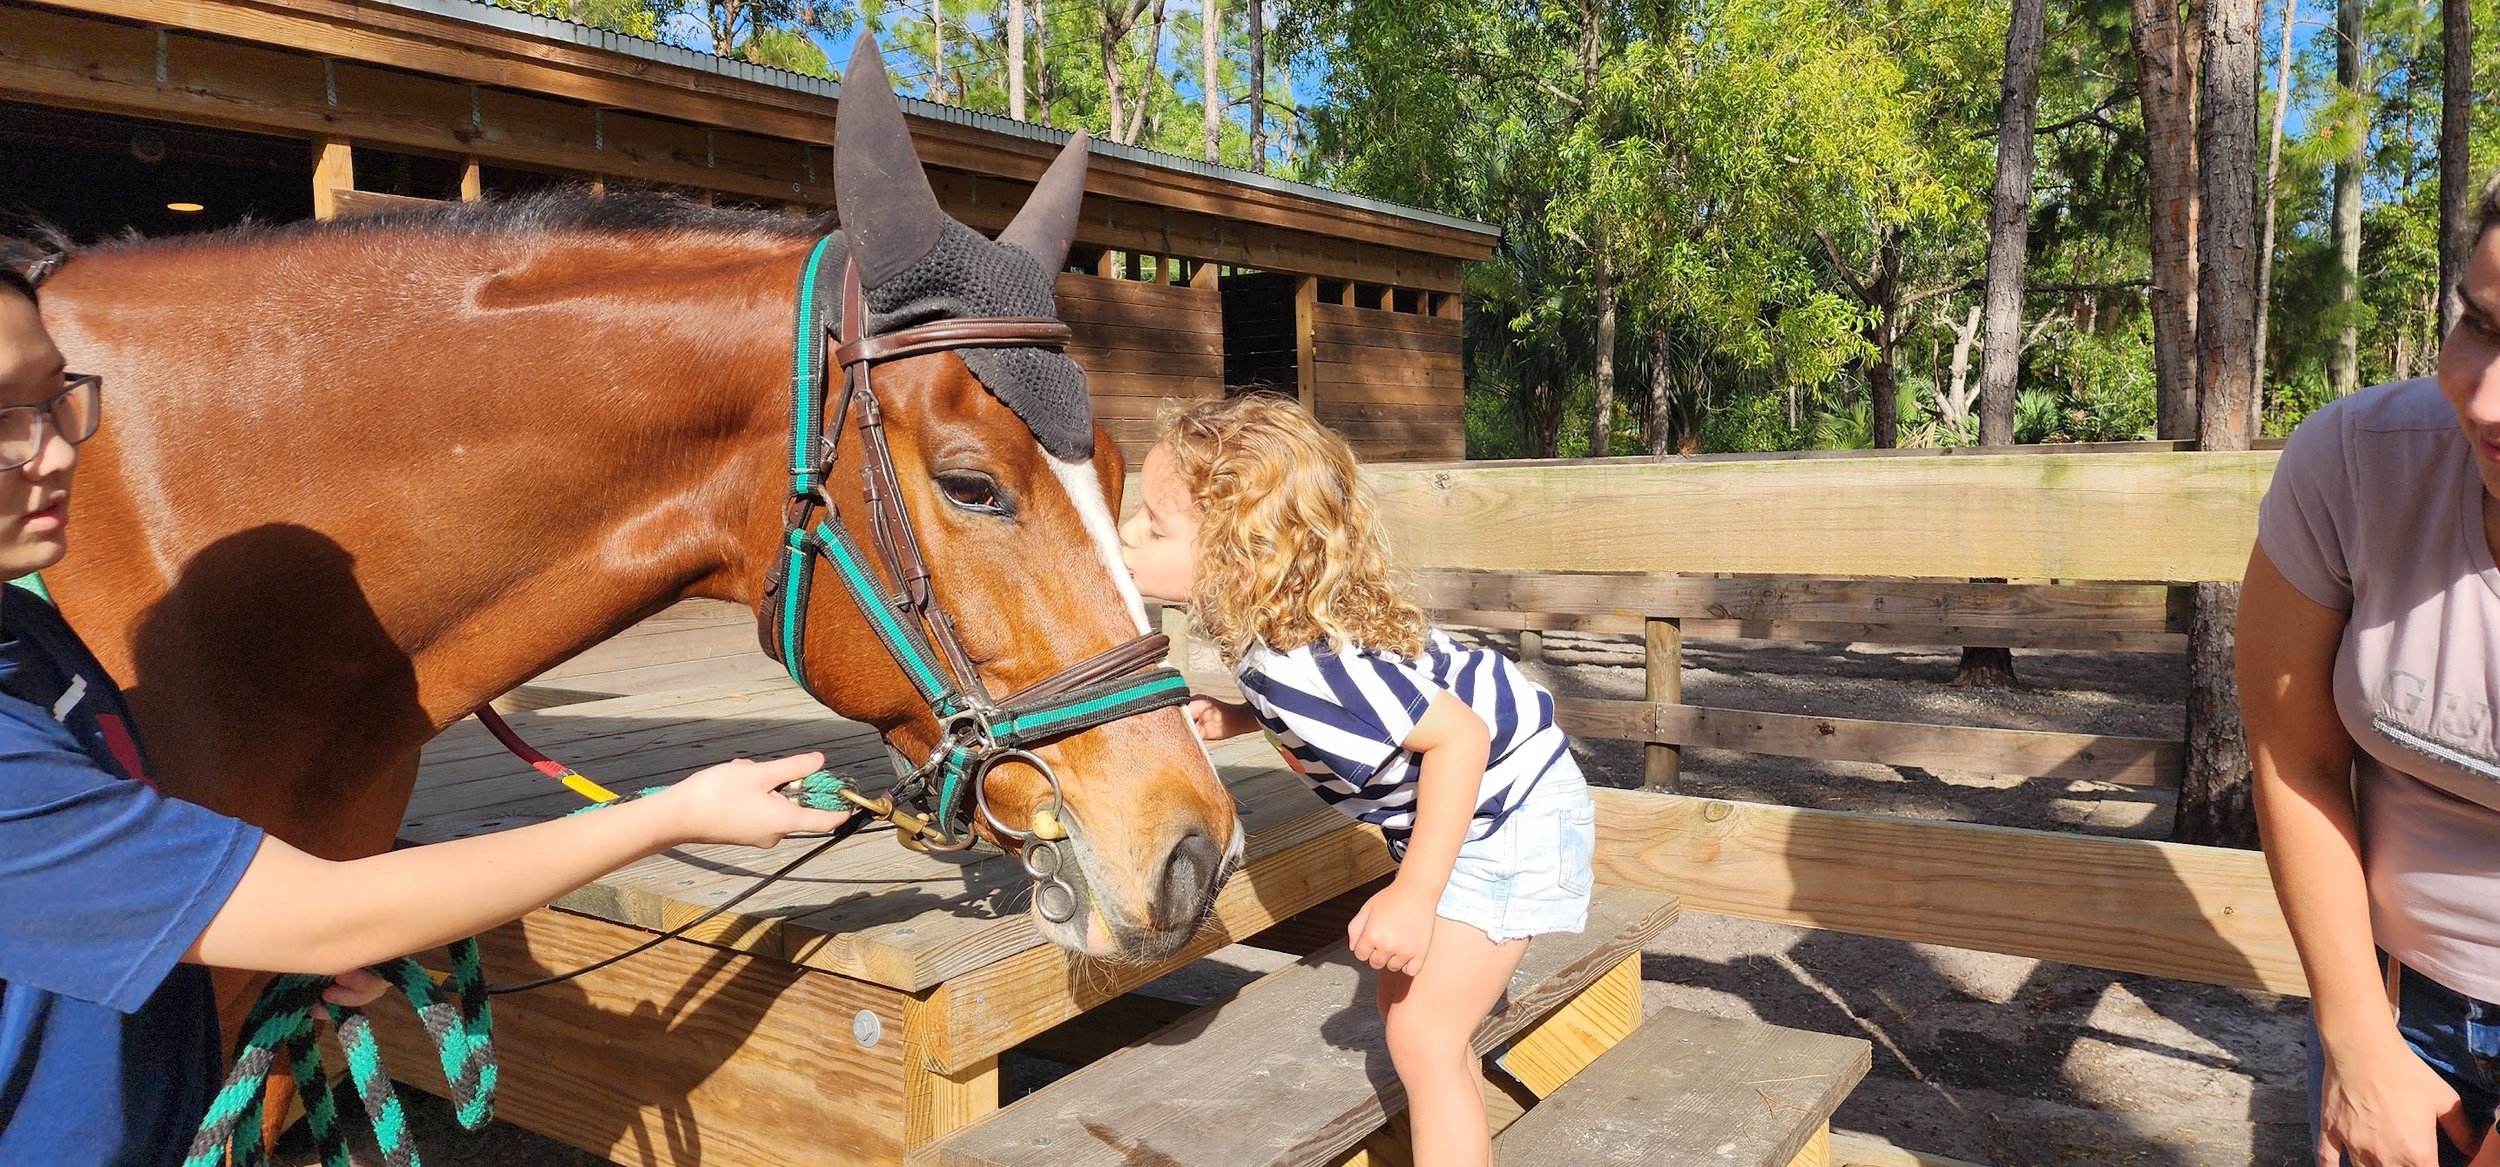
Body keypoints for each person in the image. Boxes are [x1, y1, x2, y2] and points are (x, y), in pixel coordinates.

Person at [0, 266, 851, 1166]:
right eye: (4, 419)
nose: (56, 449)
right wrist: (674, 814)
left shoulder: (26, 635)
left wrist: (245, 951)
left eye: (57, 397)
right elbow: (326, 912)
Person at [1119, 393, 1594, 1167]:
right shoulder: (1276, 632)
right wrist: (1241, 717)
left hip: (1511, 813)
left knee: (1422, 1033)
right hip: (1489, 801)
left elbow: (1460, 740)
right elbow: (1373, 717)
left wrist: (1414, 894)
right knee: (1413, 1019)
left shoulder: (1307, 668)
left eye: (1154, 523)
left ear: (1241, 559)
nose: (1129, 533)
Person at [2245, 173, 2500, 1167]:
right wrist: (2355, 1038)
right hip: (2397, 992)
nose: (2482, 400)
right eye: (2477, 327)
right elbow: (2293, 756)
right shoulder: (2354, 463)